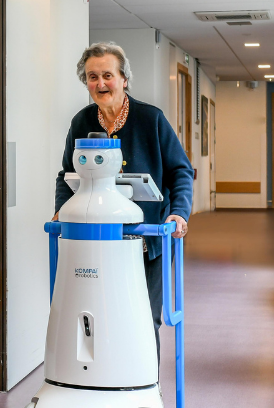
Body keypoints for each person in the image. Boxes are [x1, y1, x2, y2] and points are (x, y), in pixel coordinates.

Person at [52, 41, 195, 357]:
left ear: (124, 79)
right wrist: (62, 209)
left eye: (107, 75)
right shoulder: (81, 123)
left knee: (143, 319)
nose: (100, 84)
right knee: (100, 316)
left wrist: (179, 213)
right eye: (92, 77)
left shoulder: (150, 120)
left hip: (147, 241)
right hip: (97, 242)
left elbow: (180, 171)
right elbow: (66, 175)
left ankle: (146, 389)